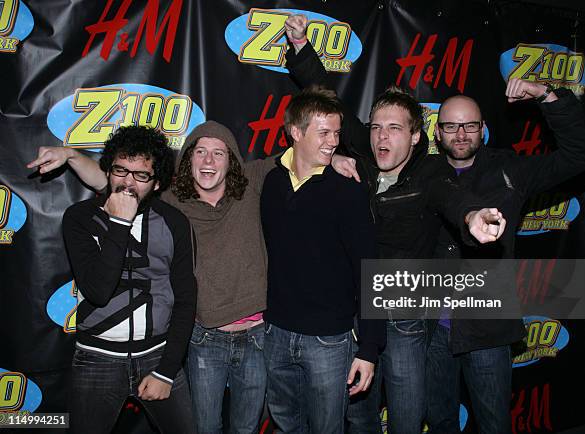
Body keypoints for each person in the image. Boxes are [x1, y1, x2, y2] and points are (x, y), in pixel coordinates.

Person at [29, 121, 359, 434]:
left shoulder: (253, 182)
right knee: (205, 428)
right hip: (203, 339)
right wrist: (71, 155)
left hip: (257, 336)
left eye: (219, 152)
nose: (209, 160)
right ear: (188, 159)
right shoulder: (171, 201)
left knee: (247, 427)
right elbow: (119, 184)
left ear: (233, 161)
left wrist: (331, 157)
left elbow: (297, 156)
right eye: (200, 151)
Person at [283, 15, 508, 434]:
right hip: (356, 311)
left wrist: (473, 217)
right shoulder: (363, 162)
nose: (382, 137)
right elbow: (332, 105)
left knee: (406, 415)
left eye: (395, 129)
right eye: (376, 128)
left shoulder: (431, 172)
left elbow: (452, 196)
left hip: (405, 314)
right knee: (360, 413)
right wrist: (300, 47)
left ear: (416, 136)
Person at [425, 79, 585, 434]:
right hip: (430, 331)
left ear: (483, 129)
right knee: (440, 423)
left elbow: (581, 154)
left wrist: (547, 96)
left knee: (493, 425)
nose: (461, 134)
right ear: (437, 131)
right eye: (451, 126)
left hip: (488, 329)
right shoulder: (423, 173)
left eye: (470, 125)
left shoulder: (510, 171)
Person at [260, 85, 386, 433]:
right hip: (276, 332)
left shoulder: (348, 192)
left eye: (337, 133)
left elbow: (369, 270)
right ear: (296, 133)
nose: (334, 141)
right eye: (324, 132)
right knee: (286, 425)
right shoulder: (271, 182)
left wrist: (370, 348)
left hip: (329, 340)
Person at [61, 125, 197, 433]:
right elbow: (98, 290)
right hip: (96, 360)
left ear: (157, 182)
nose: (128, 183)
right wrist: (119, 222)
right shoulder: (80, 218)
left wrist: (166, 371)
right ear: (108, 171)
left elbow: (186, 299)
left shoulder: (174, 223)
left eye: (141, 175)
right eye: (120, 170)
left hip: (158, 355)